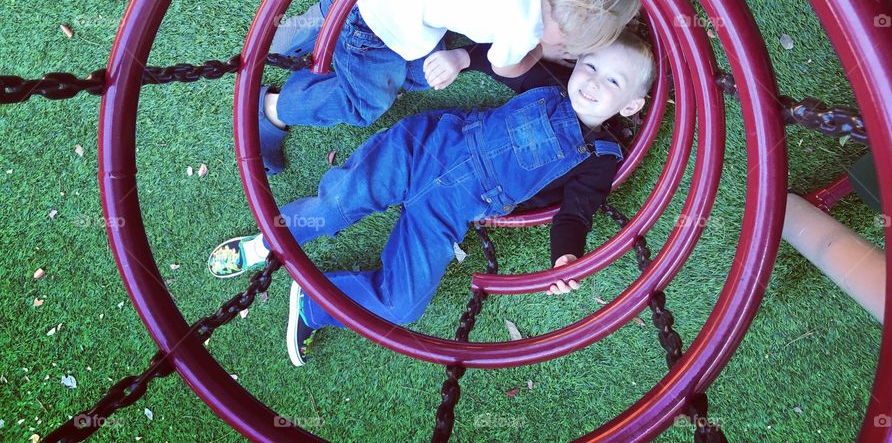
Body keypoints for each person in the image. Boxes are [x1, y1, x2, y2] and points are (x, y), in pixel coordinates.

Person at [208, 31, 655, 366]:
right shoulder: (551, 84)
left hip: (449, 210)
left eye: (612, 81)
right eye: (590, 66)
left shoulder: (601, 156)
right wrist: (461, 57)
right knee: (336, 205)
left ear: (631, 107)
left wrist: (566, 257)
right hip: (426, 148)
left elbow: (576, 213)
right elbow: (503, 62)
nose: (592, 82)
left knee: (404, 303)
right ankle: (266, 243)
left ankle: (316, 302)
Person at [256, 0, 640, 174]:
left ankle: (325, 13)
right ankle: (275, 108)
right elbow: (505, 67)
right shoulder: (523, 25)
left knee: (424, 72)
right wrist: (544, 50)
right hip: (372, 23)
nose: (567, 49)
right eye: (570, 42)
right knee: (365, 104)